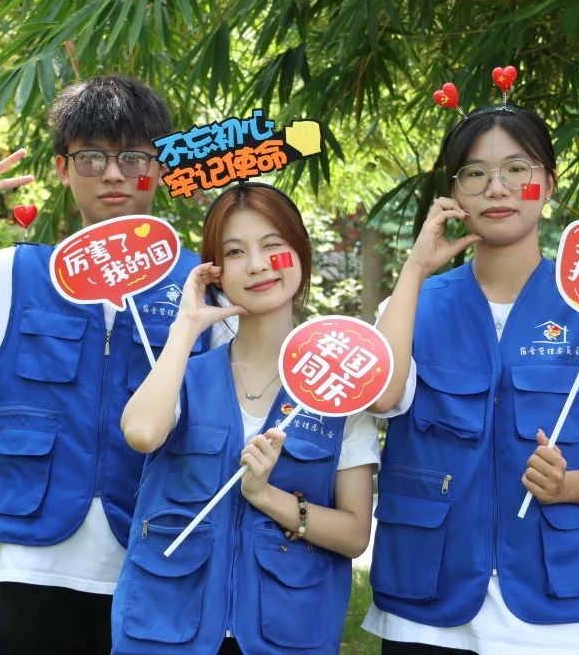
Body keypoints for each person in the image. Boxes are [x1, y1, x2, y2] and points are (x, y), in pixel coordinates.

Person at [0, 75, 218, 654]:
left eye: (134, 157)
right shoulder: (14, 275)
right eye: (92, 157)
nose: (114, 174)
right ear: (62, 169)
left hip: (163, 550)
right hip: (33, 562)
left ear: (162, 167)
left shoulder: (202, 286)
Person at [362, 103, 579, 655]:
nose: (497, 188)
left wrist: (566, 486)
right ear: (454, 193)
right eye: (475, 173)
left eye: (517, 169)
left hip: (558, 608)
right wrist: (414, 270)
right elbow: (381, 397)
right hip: (426, 603)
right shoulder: (412, 305)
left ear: (549, 185)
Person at [111, 181, 380, 654]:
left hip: (285, 634)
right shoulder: (184, 375)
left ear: (300, 253)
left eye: (272, 245)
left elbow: (355, 534)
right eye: (235, 252)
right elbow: (142, 432)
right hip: (168, 631)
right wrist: (186, 326)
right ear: (214, 271)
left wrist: (267, 497)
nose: (256, 265)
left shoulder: (338, 390)